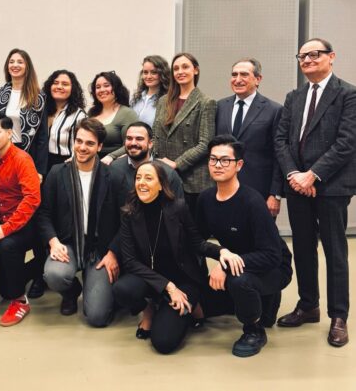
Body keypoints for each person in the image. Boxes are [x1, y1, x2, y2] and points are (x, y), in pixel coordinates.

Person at [275, 38, 356, 347]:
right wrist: (294, 175)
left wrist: (313, 175)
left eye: (314, 54)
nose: (307, 60)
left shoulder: (348, 94)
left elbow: (347, 142)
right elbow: (281, 140)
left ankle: (339, 316)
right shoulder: (294, 97)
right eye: (302, 56)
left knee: (335, 251)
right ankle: (308, 305)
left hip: (331, 186)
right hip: (298, 185)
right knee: (303, 248)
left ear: (331, 57)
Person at [197, 135, 292, 357]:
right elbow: (197, 240)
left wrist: (225, 265)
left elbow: (272, 255)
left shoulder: (252, 202)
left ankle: (254, 329)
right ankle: (257, 302)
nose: (218, 165)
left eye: (225, 160)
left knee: (238, 281)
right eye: (213, 159)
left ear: (238, 165)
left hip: (274, 267)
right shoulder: (206, 199)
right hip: (239, 260)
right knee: (203, 303)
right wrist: (220, 254)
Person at [113, 162, 206, 353]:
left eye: (148, 178)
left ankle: (193, 303)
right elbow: (130, 261)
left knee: (163, 342)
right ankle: (149, 308)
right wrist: (168, 287)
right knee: (122, 290)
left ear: (161, 185)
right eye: (138, 178)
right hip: (152, 280)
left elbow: (198, 243)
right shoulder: (129, 213)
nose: (141, 182)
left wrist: (222, 252)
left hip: (182, 280)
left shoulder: (178, 208)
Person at [38, 118, 120, 326]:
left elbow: (126, 221)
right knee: (54, 275)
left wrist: (113, 253)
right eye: (79, 141)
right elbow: (43, 213)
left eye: (90, 143)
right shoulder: (57, 173)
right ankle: (71, 291)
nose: (82, 147)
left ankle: (102, 291)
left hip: (100, 249)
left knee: (97, 317)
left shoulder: (113, 176)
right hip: (68, 243)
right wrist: (53, 242)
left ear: (99, 146)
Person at [0, 48, 48, 298]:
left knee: (33, 215)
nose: (15, 65)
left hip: (26, 158)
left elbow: (42, 137)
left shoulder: (38, 96)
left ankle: (39, 274)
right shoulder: (1, 93)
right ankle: (16, 271)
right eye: (11, 61)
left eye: (19, 62)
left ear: (27, 66)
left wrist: (40, 170)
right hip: (4, 156)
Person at [0, 113, 41, 326]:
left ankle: (20, 301)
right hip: (2, 223)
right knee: (5, 289)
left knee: (7, 246)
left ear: (9, 133)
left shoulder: (22, 159)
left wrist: (6, 228)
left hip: (27, 224)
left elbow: (32, 199)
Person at [215, 58, 283, 217]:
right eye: (234, 75)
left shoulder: (274, 110)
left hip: (259, 192)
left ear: (258, 79)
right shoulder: (220, 107)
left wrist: (275, 194)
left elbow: (279, 155)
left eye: (244, 75)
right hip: (223, 189)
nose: (237, 79)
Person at [153, 52, 216, 219]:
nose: (180, 71)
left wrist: (176, 163)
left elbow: (205, 144)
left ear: (196, 70)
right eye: (176, 68)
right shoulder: (163, 101)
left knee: (189, 230)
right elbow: (155, 136)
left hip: (192, 180)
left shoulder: (206, 102)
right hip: (163, 176)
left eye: (185, 67)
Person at [110, 121, 184, 209]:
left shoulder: (167, 173)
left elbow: (178, 210)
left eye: (139, 139)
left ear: (150, 143)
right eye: (129, 138)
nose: (133, 143)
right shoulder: (114, 169)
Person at [87, 71, 138, 163]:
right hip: (91, 161)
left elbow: (131, 144)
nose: (102, 90)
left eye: (106, 85)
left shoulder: (127, 113)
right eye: (98, 87)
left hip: (116, 162)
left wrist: (111, 156)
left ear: (116, 88)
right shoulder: (91, 113)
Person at [42, 69, 87, 172]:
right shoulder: (42, 111)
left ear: (72, 89)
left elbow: (80, 144)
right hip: (41, 164)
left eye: (65, 84)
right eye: (55, 83)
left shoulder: (79, 115)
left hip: (66, 164)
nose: (59, 87)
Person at [130, 55, 171, 127]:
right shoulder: (136, 98)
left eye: (154, 72)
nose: (148, 77)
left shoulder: (168, 100)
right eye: (145, 72)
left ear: (163, 74)